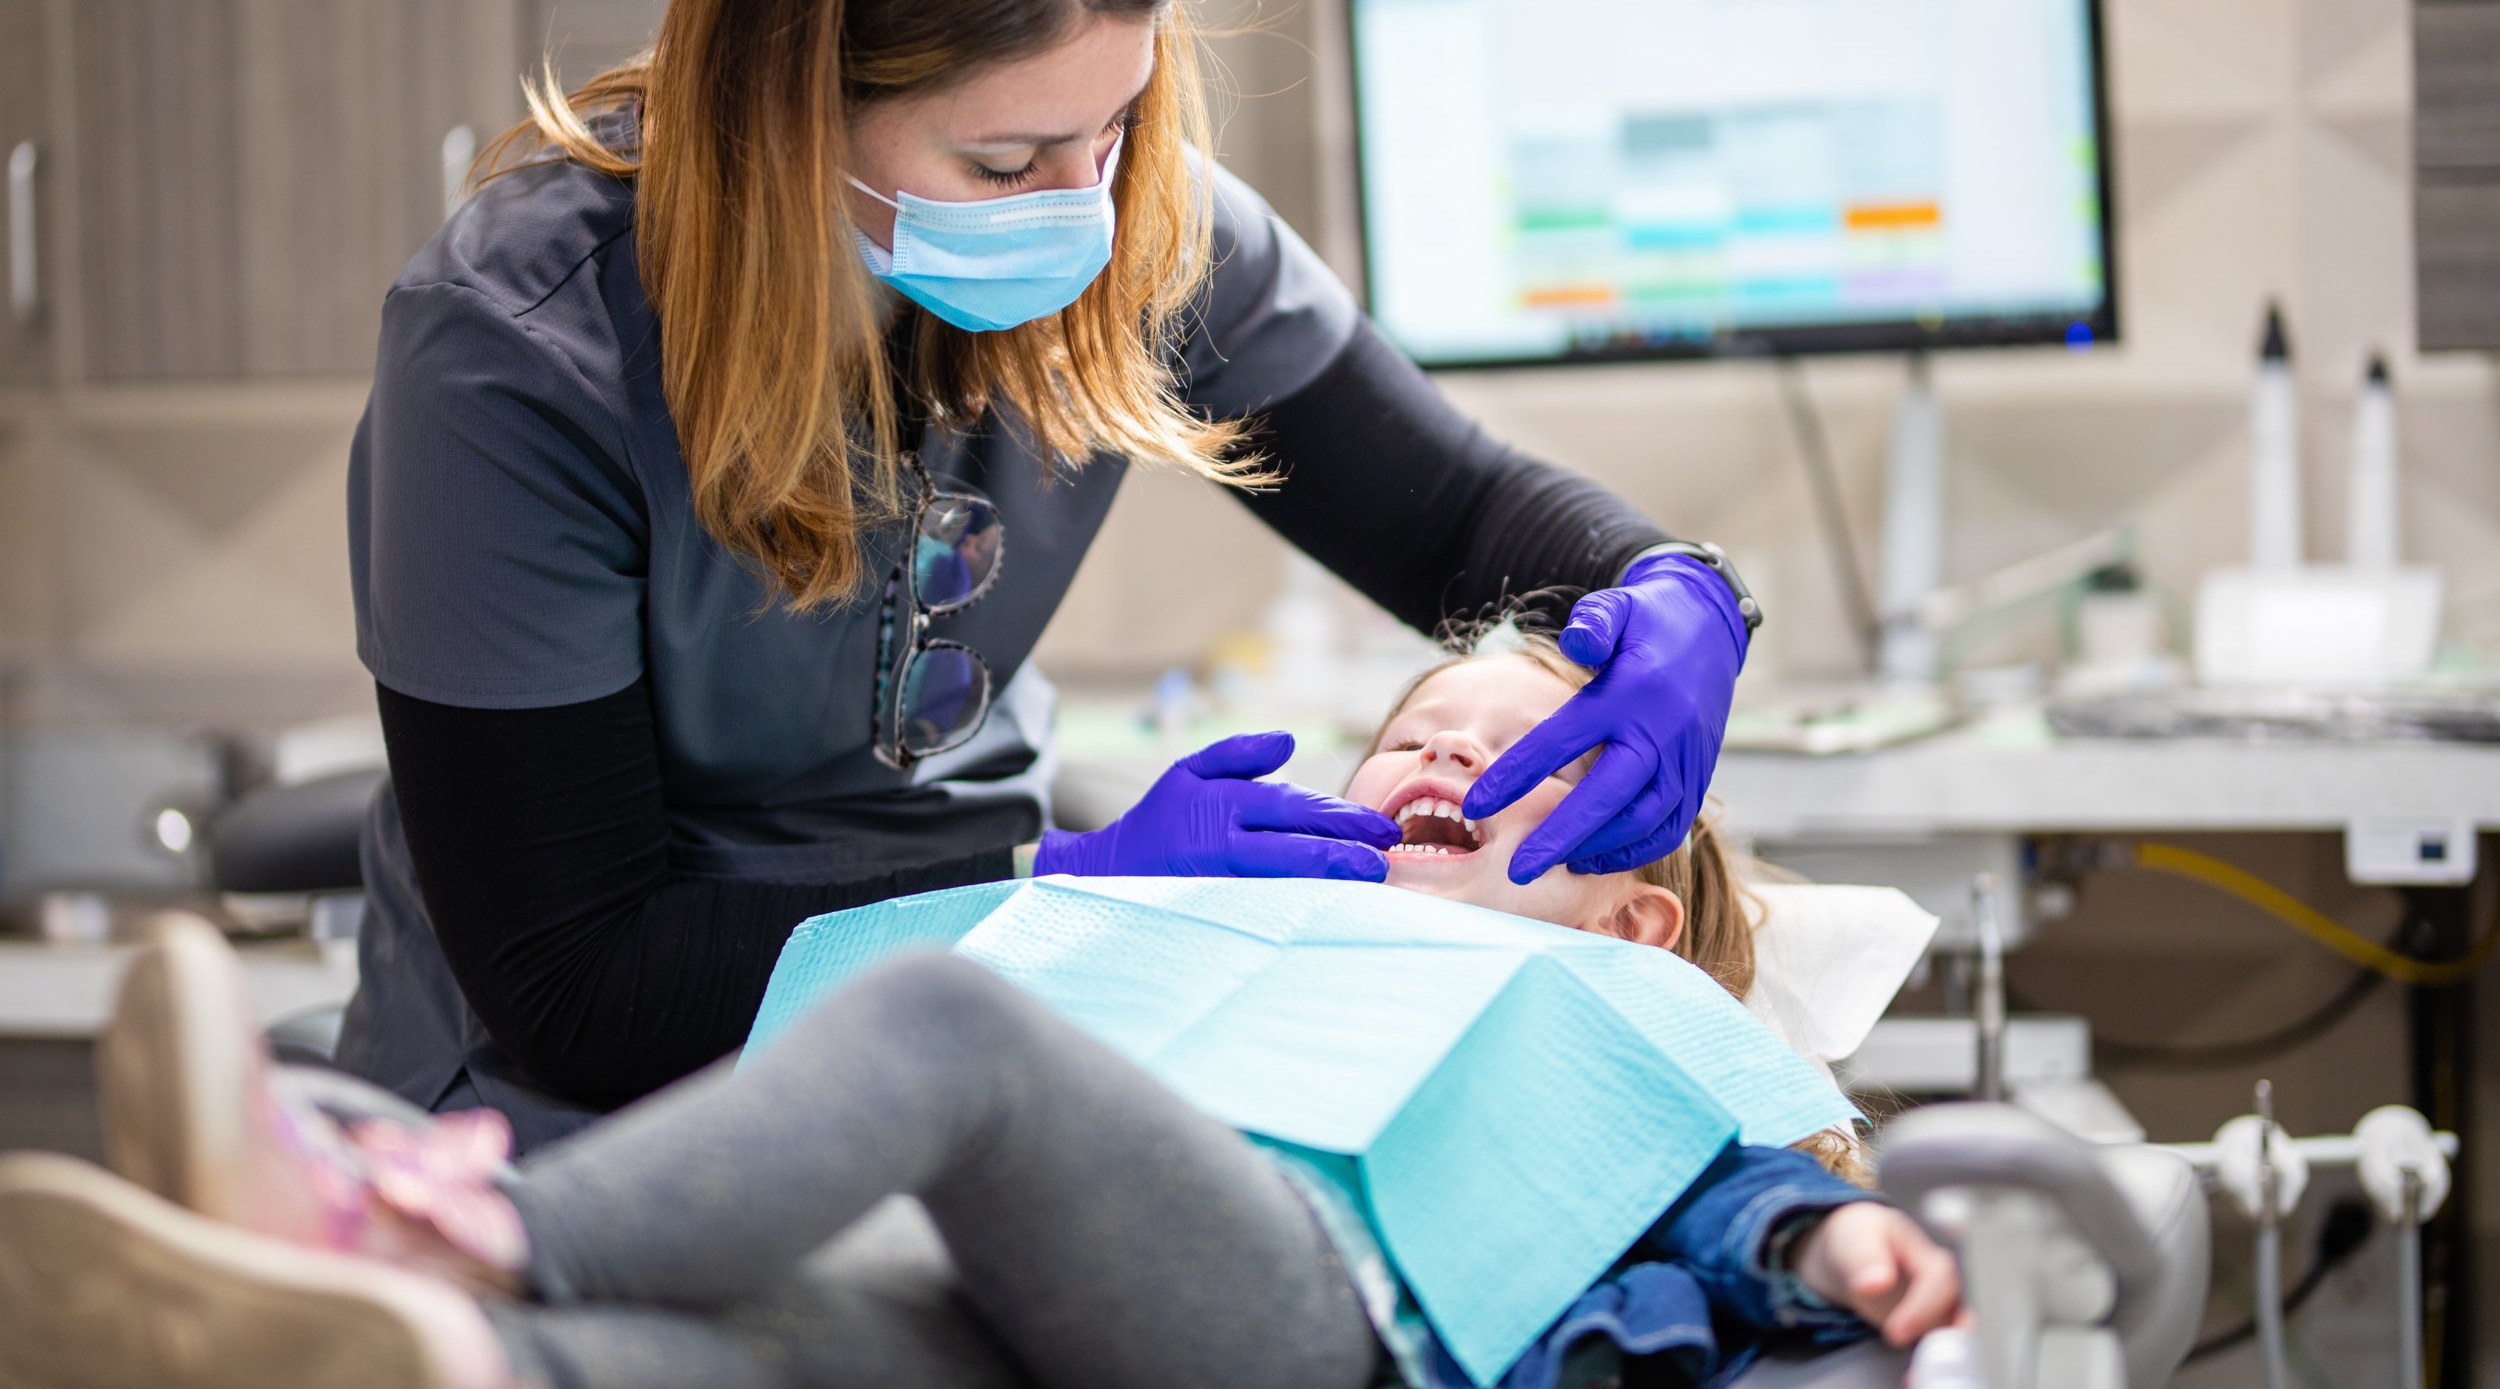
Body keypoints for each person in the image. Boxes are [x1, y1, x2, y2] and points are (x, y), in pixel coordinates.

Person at [343, 0, 1764, 1153]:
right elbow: (580, 985)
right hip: (599, 1104)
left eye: (1119, 127)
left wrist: (1673, 588)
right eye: (1005, 163)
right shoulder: (519, 358)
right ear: (786, 104)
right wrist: (1057, 906)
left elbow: (1455, 516)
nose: (1085, 211)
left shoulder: (1131, 212)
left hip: (1009, 1045)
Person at [0, 625, 1961, 1389]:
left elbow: (1726, 1189)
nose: (1423, 760)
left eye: (1504, 759)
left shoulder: (1603, 1005)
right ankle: (425, 1341)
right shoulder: (1251, 926)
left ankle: (484, 1224)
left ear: (1627, 904)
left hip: (1321, 1321)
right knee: (793, 1355)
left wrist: (1832, 1235)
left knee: (951, 1035)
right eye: (1403, 738)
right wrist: (1101, 899)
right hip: (1069, 1293)